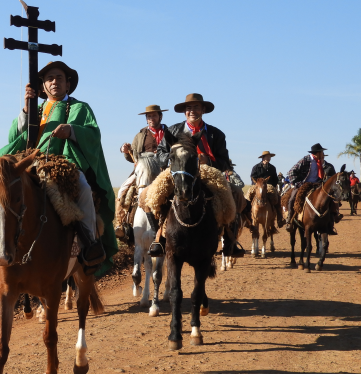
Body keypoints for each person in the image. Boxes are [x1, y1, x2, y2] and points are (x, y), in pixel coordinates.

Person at [0, 61, 117, 273]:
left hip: (62, 162)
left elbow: (93, 135)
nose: (54, 82)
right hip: (28, 160)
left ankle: (90, 244)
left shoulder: (80, 108)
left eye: (59, 77)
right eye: (49, 79)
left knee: (84, 188)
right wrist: (25, 108)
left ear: (68, 84)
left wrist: (71, 130)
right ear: (43, 86)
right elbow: (14, 137)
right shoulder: (36, 108)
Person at [148, 92, 232, 256]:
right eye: (188, 108)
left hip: (208, 172)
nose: (192, 111)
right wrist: (174, 160)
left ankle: (229, 237)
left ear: (203, 110)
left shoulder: (217, 134)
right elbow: (160, 155)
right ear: (184, 111)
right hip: (179, 170)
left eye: (196, 107)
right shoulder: (172, 130)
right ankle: (158, 237)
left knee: (234, 193)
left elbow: (224, 161)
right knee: (149, 195)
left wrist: (208, 161)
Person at [114, 105, 173, 240]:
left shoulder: (170, 133)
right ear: (146, 119)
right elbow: (132, 157)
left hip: (164, 171)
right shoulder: (140, 135)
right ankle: (120, 225)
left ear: (160, 117)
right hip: (143, 172)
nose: (151, 118)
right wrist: (125, 150)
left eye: (154, 115)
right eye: (149, 116)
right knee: (123, 190)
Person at [285, 143, 338, 234]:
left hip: (318, 184)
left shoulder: (321, 162)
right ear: (316, 153)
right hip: (304, 185)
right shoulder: (306, 160)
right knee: (292, 198)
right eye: (321, 152)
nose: (322, 154)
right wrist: (298, 184)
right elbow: (291, 172)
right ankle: (290, 220)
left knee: (330, 198)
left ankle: (331, 221)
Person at [250, 151, 284, 227]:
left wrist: (273, 186)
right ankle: (247, 217)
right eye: (267, 157)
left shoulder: (272, 168)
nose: (269, 158)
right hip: (257, 185)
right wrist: (257, 184)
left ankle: (279, 219)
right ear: (263, 158)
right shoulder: (256, 167)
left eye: (270, 157)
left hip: (269, 186)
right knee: (248, 197)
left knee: (277, 199)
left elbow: (275, 179)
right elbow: (252, 177)